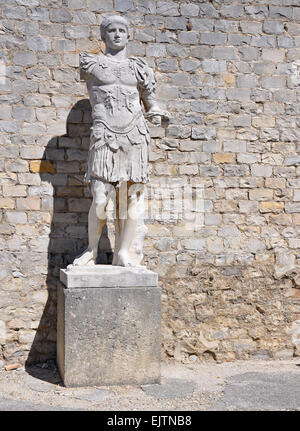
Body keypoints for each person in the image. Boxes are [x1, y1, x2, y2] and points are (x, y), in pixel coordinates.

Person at [72, 15, 168, 267]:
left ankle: (122, 252)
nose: (116, 34)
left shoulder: (139, 68)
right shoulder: (91, 63)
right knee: (101, 196)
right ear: (103, 36)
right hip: (104, 131)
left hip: (134, 132)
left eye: (121, 30)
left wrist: (156, 113)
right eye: (111, 30)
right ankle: (92, 250)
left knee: (130, 196)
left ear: (128, 35)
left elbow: (151, 101)